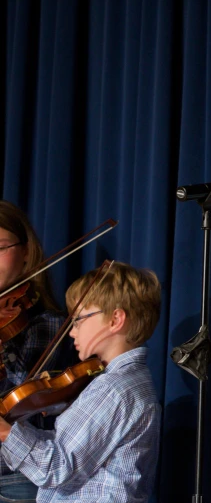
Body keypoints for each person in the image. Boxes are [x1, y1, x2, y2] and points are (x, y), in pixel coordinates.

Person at [0, 262, 162, 502]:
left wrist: (6, 433)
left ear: (115, 319)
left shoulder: (112, 389)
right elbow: (71, 454)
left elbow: (57, 468)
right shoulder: (129, 382)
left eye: (78, 319)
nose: (72, 331)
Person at [0, 201, 70, 502]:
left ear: (26, 252)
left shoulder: (48, 325)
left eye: (1, 247)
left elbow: (20, 403)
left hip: (13, 479)